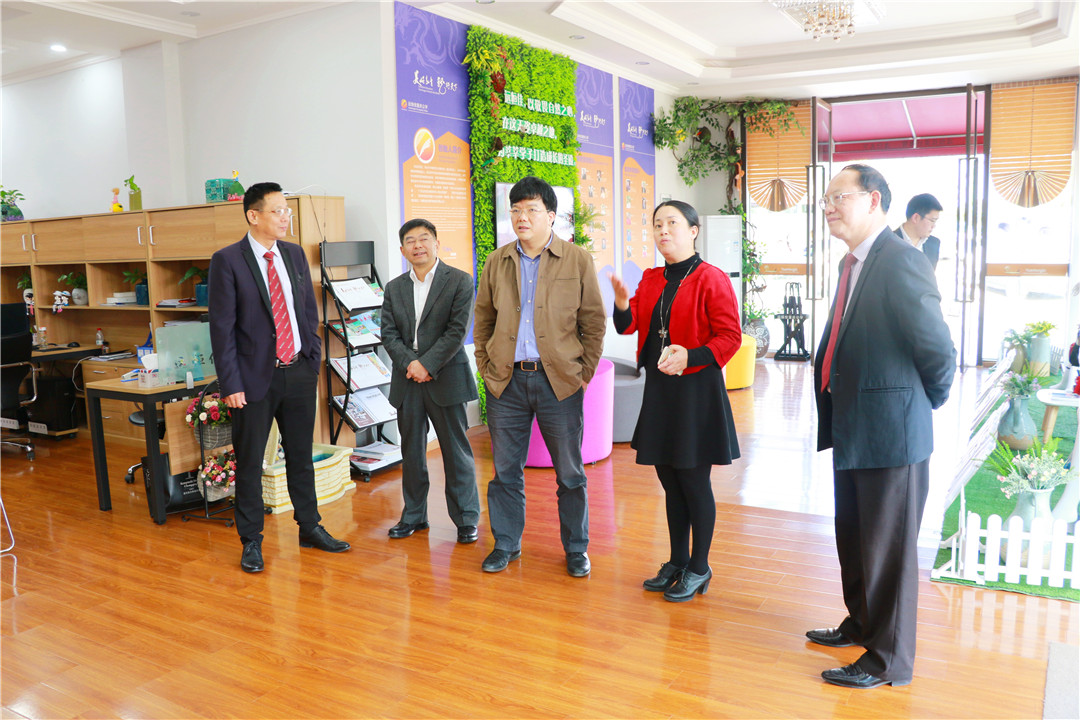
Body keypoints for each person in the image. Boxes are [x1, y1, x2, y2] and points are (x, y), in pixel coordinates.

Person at [809, 165, 955, 689]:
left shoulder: (900, 260)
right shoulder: (854, 262)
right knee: (855, 538)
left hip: (893, 433)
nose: (828, 206)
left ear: (873, 201)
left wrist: (920, 403)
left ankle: (888, 657)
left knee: (888, 551)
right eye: (825, 199)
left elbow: (937, 349)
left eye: (838, 197)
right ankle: (862, 623)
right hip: (853, 425)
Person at [209, 182, 350, 573]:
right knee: (250, 463)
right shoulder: (228, 260)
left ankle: (310, 527)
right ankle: (251, 540)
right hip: (253, 380)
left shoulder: (293, 253)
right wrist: (231, 384)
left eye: (287, 210)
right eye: (277, 211)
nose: (286, 217)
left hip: (298, 372)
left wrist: (312, 360)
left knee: (301, 457)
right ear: (253, 215)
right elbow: (222, 328)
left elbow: (306, 312)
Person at [609, 201, 742, 602]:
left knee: (693, 482)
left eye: (672, 223)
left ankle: (699, 567)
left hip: (696, 392)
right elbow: (628, 325)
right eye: (657, 225)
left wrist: (691, 356)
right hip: (660, 391)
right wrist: (620, 304)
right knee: (669, 480)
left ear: (693, 230)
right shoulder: (652, 278)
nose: (663, 230)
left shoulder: (711, 278)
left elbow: (730, 337)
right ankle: (678, 560)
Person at [473, 176, 606, 577]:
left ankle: (576, 549)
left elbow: (593, 322)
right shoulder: (497, 261)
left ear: (551, 215)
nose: (522, 217)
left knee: (570, 473)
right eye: (516, 210)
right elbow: (483, 319)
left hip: (559, 383)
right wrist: (486, 366)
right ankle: (506, 544)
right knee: (505, 473)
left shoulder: (577, 260)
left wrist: (582, 374)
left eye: (531, 209)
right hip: (506, 382)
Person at [380, 219, 480, 544]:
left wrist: (427, 365)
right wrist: (411, 364)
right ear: (402, 250)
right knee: (411, 452)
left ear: (436, 243)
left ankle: (466, 519)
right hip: (407, 379)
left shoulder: (459, 281)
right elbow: (388, 333)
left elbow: (457, 331)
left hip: (446, 377)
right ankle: (413, 516)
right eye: (411, 241)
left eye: (424, 239)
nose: (418, 245)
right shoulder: (394, 287)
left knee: (456, 452)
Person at [894, 193, 943, 269]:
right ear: (915, 218)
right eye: (932, 220)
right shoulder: (888, 242)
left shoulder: (934, 243)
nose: (934, 226)